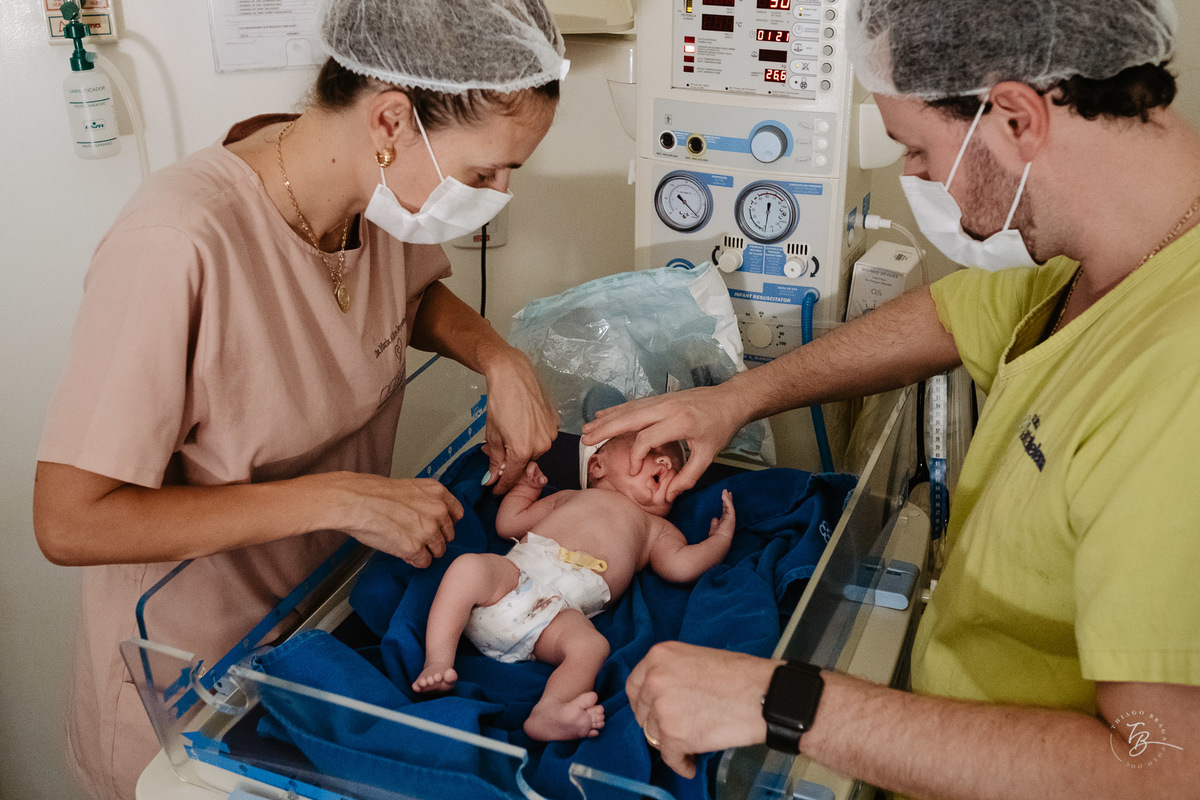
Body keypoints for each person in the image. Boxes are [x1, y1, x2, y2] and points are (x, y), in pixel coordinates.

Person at [585, 0, 1200, 796]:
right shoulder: (1100, 257)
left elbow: (1160, 766)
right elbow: (951, 312)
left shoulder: (1177, 387)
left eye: (917, 146)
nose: (911, 172)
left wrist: (785, 700)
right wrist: (738, 398)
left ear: (1017, 118)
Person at [31, 1, 567, 798]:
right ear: (391, 117)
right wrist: (337, 498)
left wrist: (499, 359)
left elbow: (406, 301)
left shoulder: (370, 201)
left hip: (316, 628)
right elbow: (68, 520)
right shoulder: (179, 243)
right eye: (485, 172)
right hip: (191, 683)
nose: (496, 194)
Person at [412, 434, 735, 741]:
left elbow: (681, 567)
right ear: (597, 466)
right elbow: (509, 524)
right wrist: (524, 490)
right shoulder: (569, 497)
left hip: (557, 617)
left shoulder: (657, 529)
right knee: (468, 567)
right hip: (513, 580)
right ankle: (438, 660)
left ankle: (550, 710)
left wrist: (719, 540)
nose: (665, 463)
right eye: (649, 451)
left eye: (676, 471)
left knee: (591, 647)